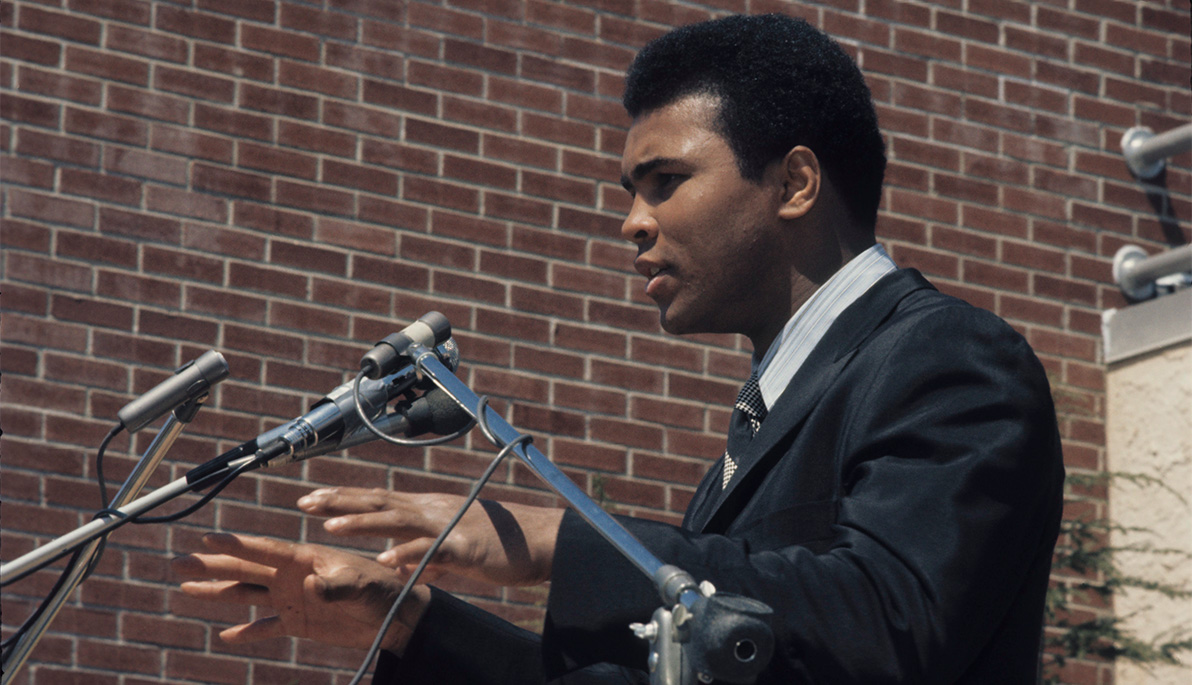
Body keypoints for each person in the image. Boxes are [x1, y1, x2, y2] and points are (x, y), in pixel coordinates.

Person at [173, 14, 1065, 683]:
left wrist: (565, 539)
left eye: (666, 182)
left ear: (794, 182)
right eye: (631, 190)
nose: (632, 221)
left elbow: (891, 619)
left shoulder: (947, 359)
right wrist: (409, 622)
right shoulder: (764, 424)